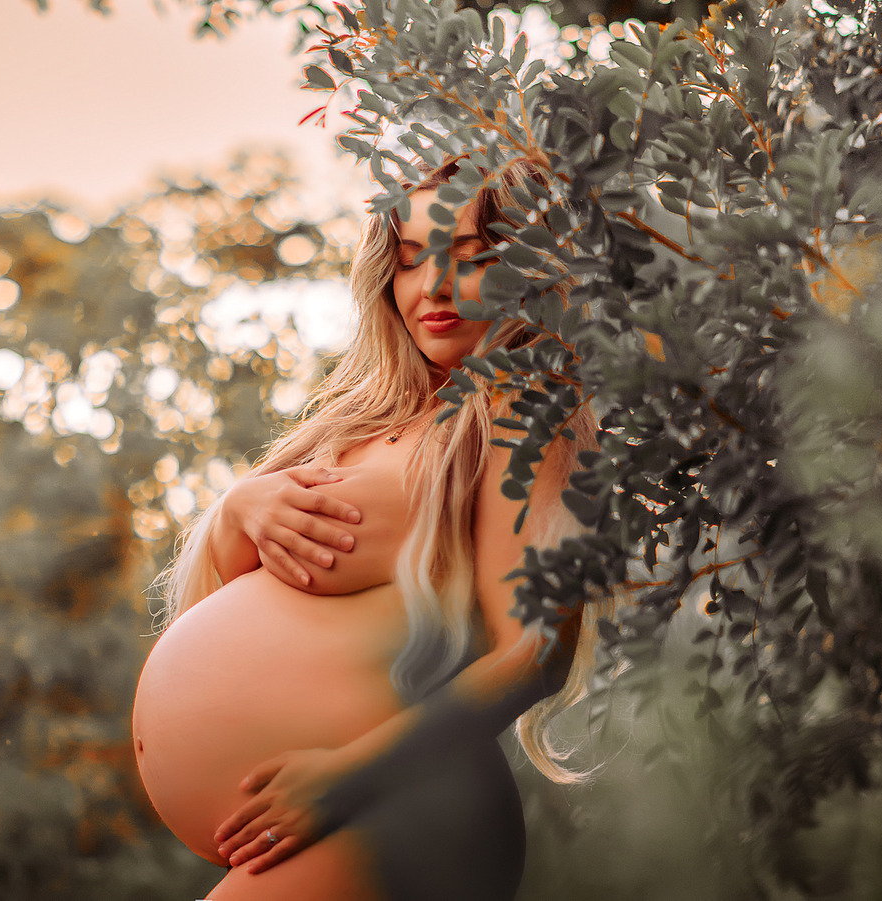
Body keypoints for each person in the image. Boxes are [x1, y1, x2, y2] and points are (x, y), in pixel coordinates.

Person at [132, 156, 606, 900]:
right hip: (327, 822)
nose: (434, 288)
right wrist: (237, 511)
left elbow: (538, 652)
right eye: (412, 260)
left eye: (473, 259)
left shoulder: (525, 412)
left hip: (388, 805)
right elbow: (232, 604)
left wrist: (342, 780)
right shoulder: (365, 419)